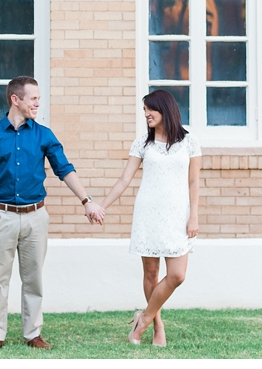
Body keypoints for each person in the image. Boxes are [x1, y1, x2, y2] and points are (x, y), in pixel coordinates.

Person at [0, 75, 105, 351]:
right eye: (33, 98)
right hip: (0, 216)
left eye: (38, 98)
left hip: (36, 217)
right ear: (15, 100)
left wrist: (86, 200)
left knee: (33, 279)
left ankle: (33, 334)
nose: (37, 104)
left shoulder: (44, 135)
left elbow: (64, 169)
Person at [97, 89, 202, 347]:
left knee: (177, 275)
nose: (146, 115)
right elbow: (125, 179)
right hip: (148, 213)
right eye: (144, 110)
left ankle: (142, 319)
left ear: (164, 109)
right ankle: (157, 326)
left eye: (150, 110)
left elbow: (194, 181)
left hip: (178, 215)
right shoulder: (142, 143)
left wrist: (194, 216)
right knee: (151, 273)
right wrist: (103, 205)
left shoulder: (189, 142)